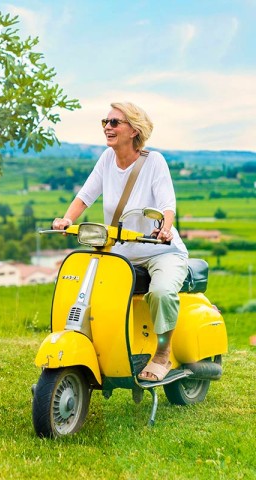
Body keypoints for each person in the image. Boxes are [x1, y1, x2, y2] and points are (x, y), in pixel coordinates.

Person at [52, 101, 188, 382]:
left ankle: (163, 354)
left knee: (161, 293)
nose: (107, 127)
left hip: (161, 251)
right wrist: (66, 219)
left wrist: (165, 228)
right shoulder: (106, 159)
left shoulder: (154, 162)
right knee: (84, 291)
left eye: (115, 122)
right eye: (105, 122)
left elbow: (167, 204)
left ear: (133, 130)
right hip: (120, 253)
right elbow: (85, 195)